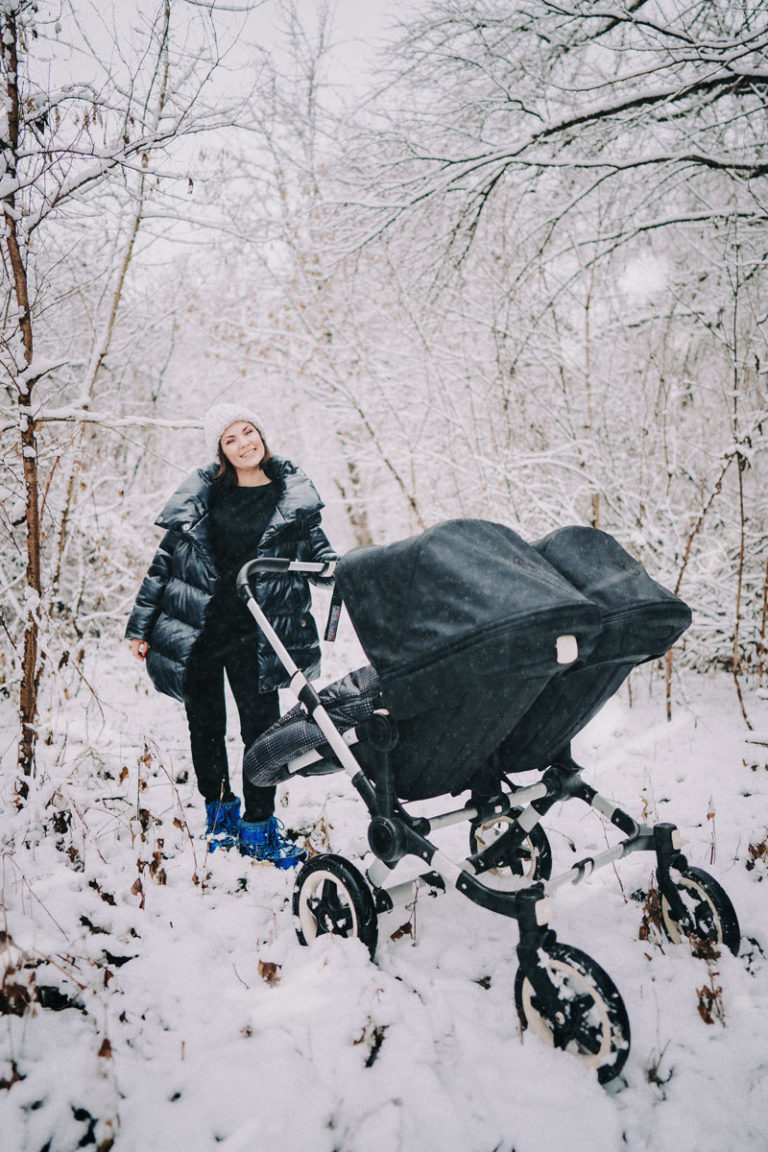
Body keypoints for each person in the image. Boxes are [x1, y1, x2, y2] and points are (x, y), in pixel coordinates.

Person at [125, 402, 337, 866]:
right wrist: (141, 626)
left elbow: (323, 561)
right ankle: (219, 820)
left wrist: (351, 573)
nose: (244, 443)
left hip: (259, 635)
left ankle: (259, 829)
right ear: (221, 449)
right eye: (231, 438)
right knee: (206, 728)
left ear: (261, 434)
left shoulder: (290, 499)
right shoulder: (206, 496)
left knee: (261, 734)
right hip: (199, 629)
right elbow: (165, 564)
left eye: (248, 432)